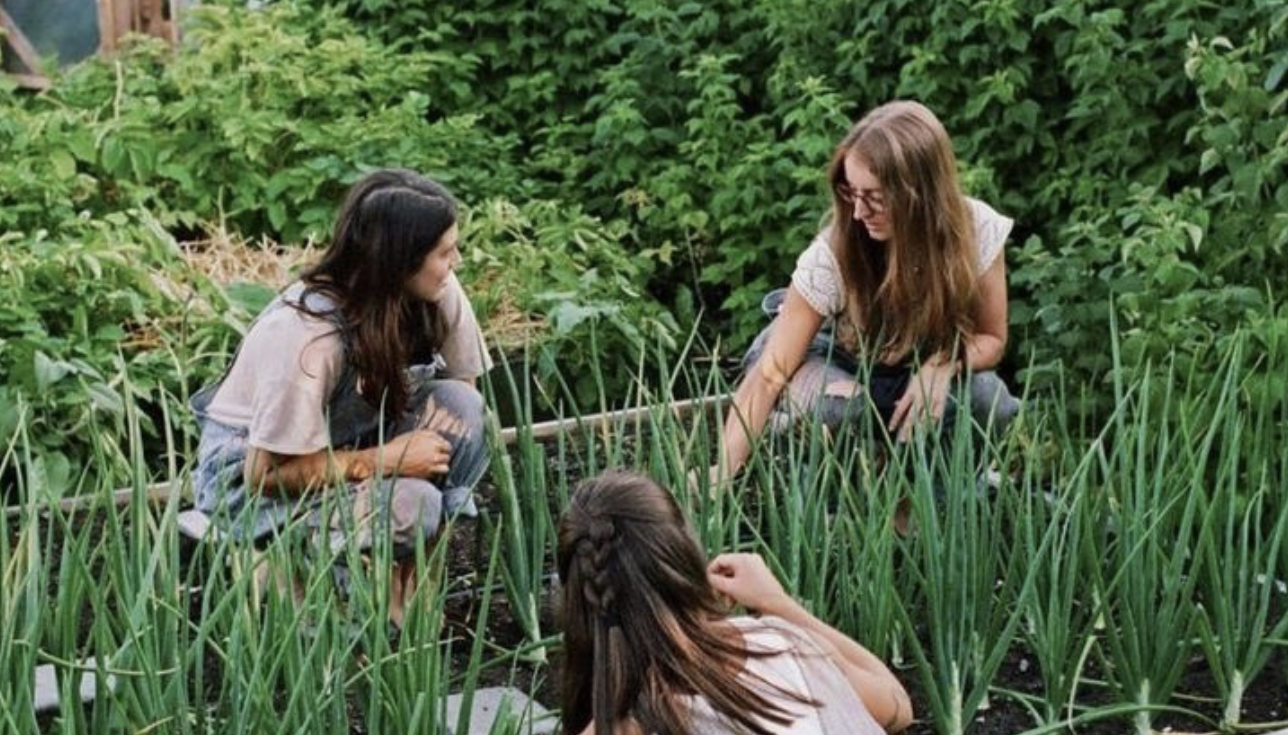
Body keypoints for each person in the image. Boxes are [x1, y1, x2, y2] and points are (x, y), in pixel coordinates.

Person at [189, 168, 492, 625]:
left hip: (359, 442)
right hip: (256, 482)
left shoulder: (437, 293)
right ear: (398, 261)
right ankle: (300, 583)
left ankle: (404, 596)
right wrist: (387, 460)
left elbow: (463, 407)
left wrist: (418, 546)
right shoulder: (305, 336)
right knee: (411, 505)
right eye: (445, 252)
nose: (457, 262)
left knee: (461, 409)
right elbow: (263, 474)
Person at [716, 100, 1019, 479]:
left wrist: (943, 362)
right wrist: (722, 472)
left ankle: (914, 509)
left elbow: (992, 337)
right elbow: (769, 374)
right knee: (843, 410)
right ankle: (787, 444)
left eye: (874, 196)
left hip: (907, 370)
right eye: (851, 193)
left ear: (920, 192)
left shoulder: (976, 232)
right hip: (828, 361)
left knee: (988, 398)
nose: (859, 212)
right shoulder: (833, 255)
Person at [558, 470, 912, 735]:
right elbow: (897, 706)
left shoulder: (623, 725)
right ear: (688, 557)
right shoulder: (783, 647)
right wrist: (779, 604)